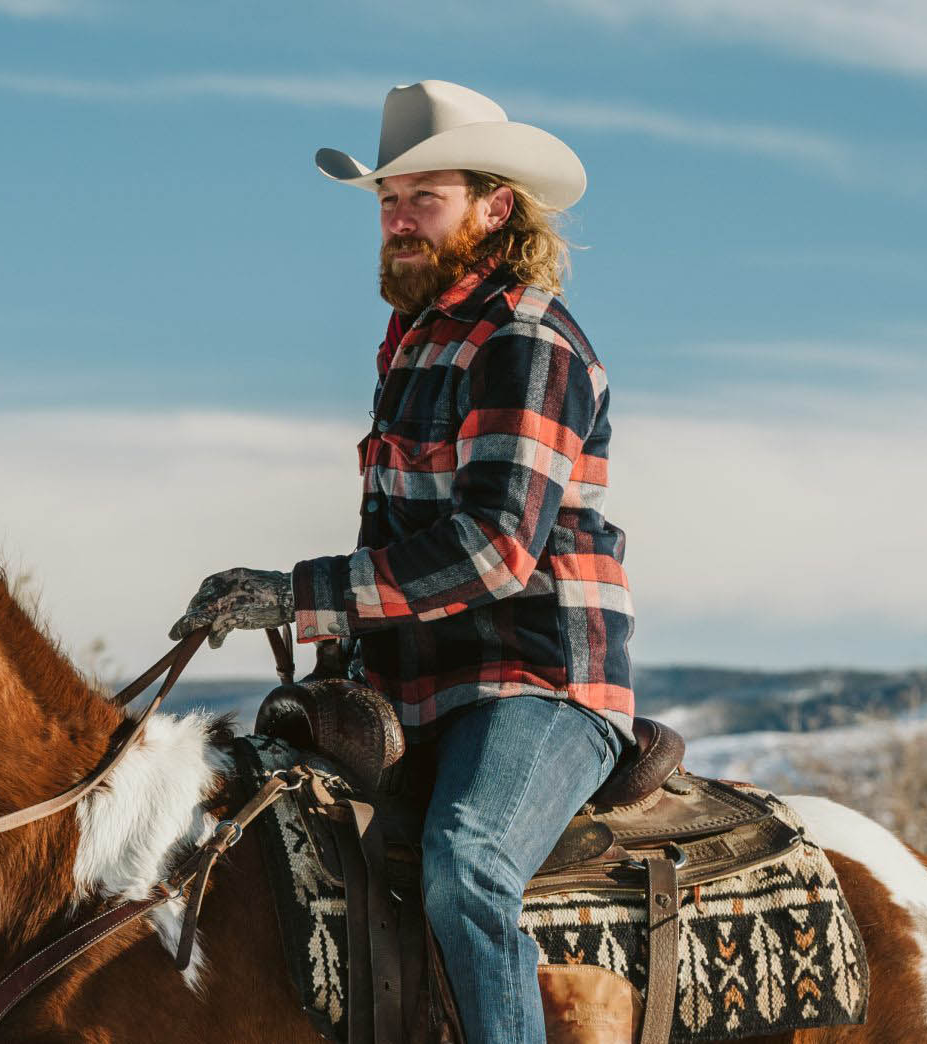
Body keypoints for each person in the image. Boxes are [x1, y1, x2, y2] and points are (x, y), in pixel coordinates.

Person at [169, 80, 636, 1043]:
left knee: (467, 863)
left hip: (537, 682)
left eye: (425, 197)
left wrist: (295, 595)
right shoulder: (416, 344)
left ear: (494, 207)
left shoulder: (525, 341)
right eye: (388, 202)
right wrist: (334, 645)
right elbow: (393, 545)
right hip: (421, 683)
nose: (398, 220)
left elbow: (495, 552)